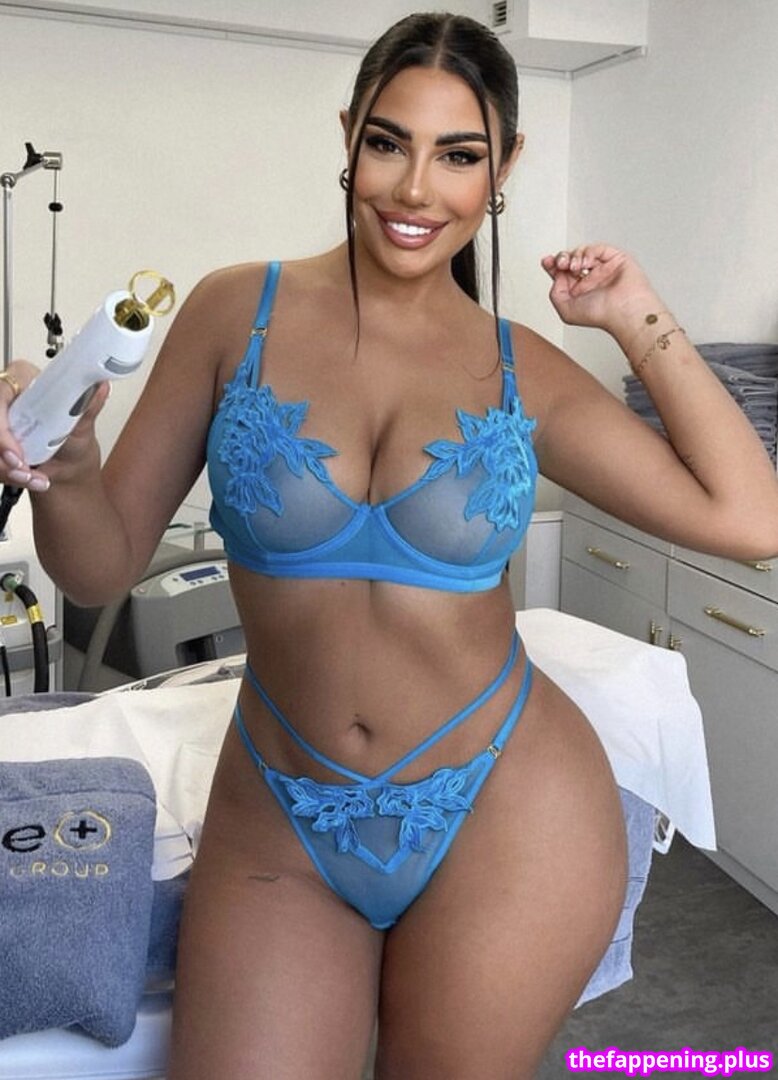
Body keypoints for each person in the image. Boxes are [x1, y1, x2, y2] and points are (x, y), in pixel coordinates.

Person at [2, 12, 777, 1079]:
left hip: (506, 809)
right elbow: (97, 567)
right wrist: (75, 469)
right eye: (387, 142)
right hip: (281, 814)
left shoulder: (521, 369)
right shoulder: (235, 313)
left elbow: (751, 517)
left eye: (458, 155)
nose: (415, 189)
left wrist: (633, 313)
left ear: (503, 166)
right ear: (348, 135)